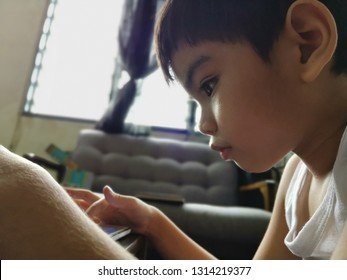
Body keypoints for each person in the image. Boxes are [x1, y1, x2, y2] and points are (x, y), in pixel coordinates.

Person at [1, 0, 346, 260]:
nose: (202, 124)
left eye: (209, 86)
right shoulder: (297, 177)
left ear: (307, 44)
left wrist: (29, 198)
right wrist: (152, 221)